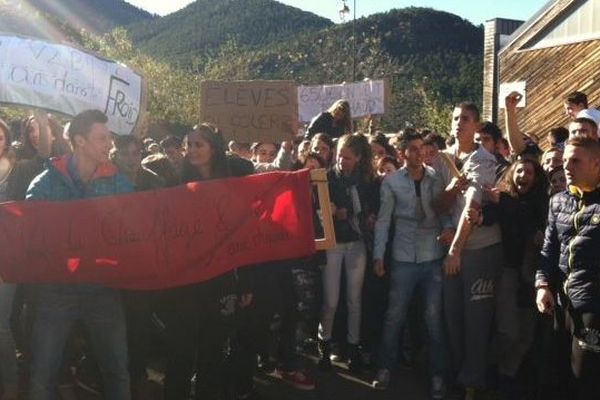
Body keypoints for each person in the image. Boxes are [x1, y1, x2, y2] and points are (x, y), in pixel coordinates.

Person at [26, 109, 133, 400]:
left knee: (117, 372)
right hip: (56, 292)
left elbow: (136, 227)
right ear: (80, 141)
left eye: (109, 138)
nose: (109, 144)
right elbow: (29, 232)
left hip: (103, 290)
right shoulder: (45, 184)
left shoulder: (118, 183)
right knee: (42, 374)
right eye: (102, 138)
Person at [163, 123, 254, 400]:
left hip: (221, 279)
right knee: (180, 350)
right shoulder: (176, 185)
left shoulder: (235, 184)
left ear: (213, 149)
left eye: (198, 145)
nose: (191, 150)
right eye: (188, 145)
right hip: (186, 280)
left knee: (213, 351)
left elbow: (245, 235)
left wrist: (246, 282)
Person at [371, 131, 450, 399]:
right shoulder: (392, 182)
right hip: (404, 255)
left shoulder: (435, 177)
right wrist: (378, 255)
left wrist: (450, 232)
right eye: (413, 149)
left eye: (421, 149)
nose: (418, 153)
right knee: (395, 316)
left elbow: (445, 211)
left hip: (431, 254)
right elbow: (383, 220)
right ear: (404, 152)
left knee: (433, 318)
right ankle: (384, 368)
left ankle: (439, 375)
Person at [433, 102, 503, 399]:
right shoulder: (443, 159)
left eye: (465, 119)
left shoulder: (483, 159)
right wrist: (447, 230)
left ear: (477, 127)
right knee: (452, 316)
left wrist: (456, 250)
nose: (458, 123)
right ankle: (458, 372)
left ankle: (473, 381)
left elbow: (472, 207)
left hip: (479, 249)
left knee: (476, 318)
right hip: (452, 246)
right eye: (455, 118)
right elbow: (438, 204)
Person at [536, 137, 600, 399]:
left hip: (593, 307)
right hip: (560, 303)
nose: (567, 167)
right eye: (565, 161)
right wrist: (542, 284)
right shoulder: (558, 201)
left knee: (585, 377)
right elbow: (549, 249)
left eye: (575, 161)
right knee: (554, 374)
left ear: (596, 163)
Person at [318, 133, 378, 371]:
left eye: (348, 157)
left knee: (354, 299)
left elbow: (373, 208)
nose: (342, 161)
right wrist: (330, 211)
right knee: (331, 299)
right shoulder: (328, 178)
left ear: (359, 158)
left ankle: (352, 346)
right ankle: (325, 342)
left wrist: (368, 217)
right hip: (333, 242)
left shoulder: (367, 180)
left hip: (356, 243)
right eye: (340, 156)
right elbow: (318, 210)